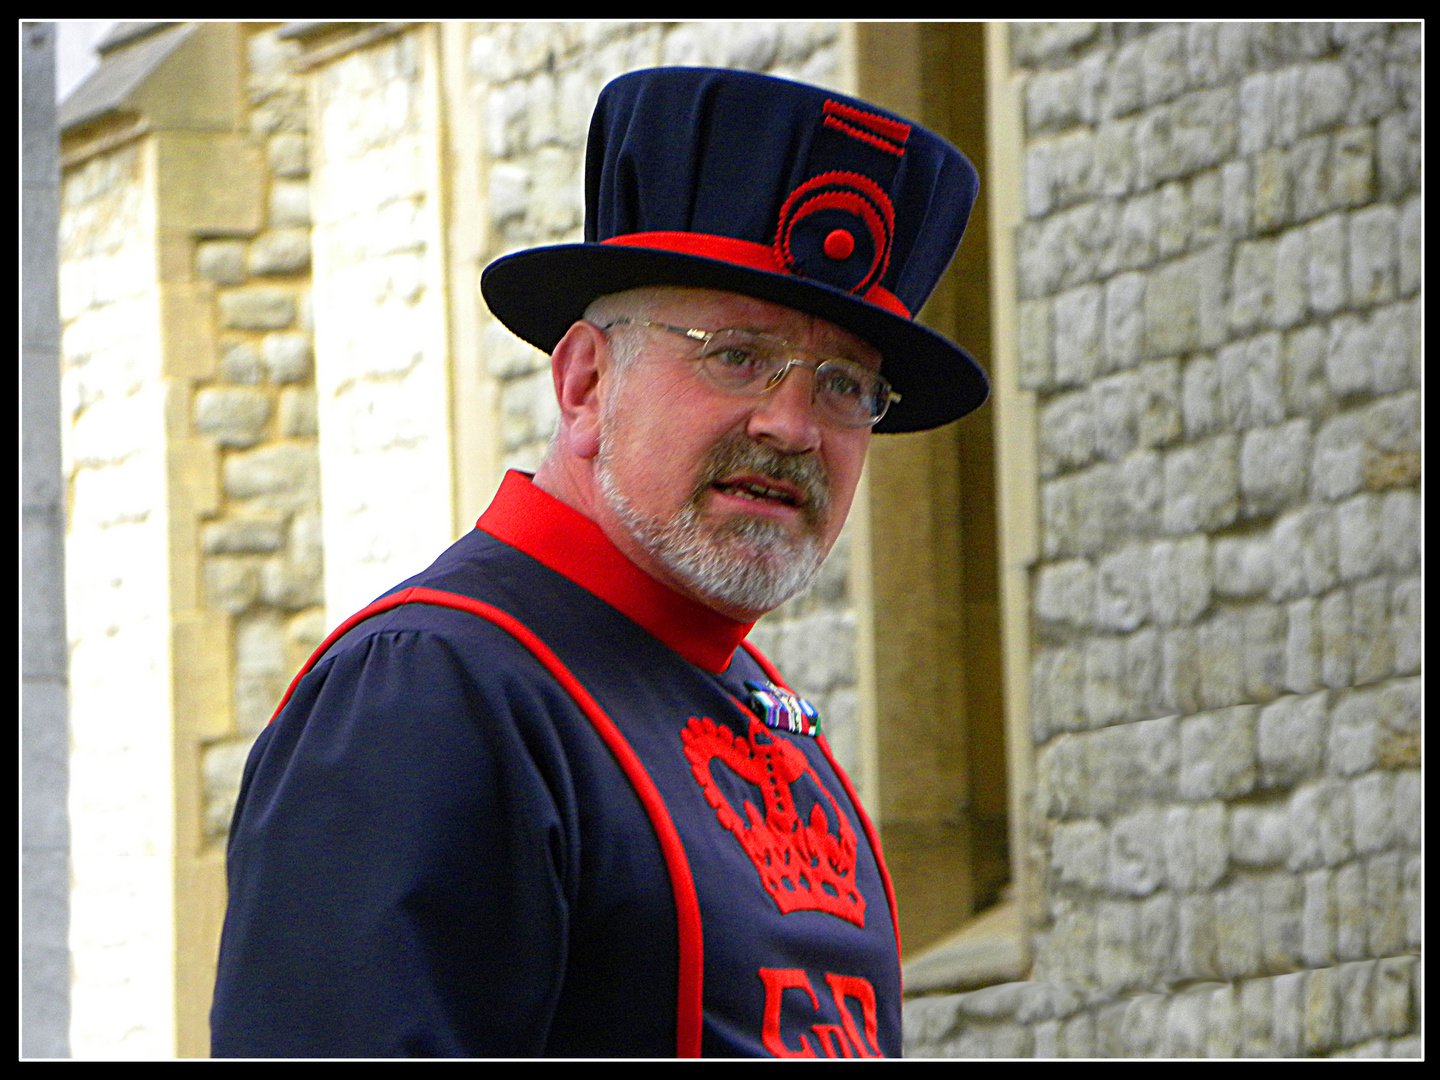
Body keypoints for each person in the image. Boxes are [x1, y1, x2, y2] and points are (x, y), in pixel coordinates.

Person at [210, 65, 987, 1058]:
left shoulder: (756, 699)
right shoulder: (430, 690)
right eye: (735, 355)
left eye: (843, 385)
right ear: (583, 381)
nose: (791, 425)